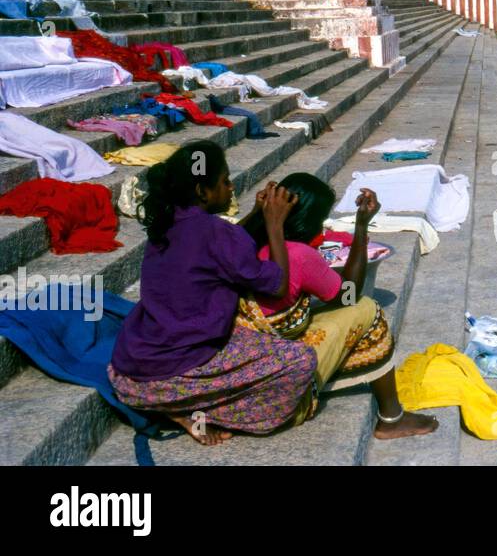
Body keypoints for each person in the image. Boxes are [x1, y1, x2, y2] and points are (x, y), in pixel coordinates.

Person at [108, 141, 317, 446]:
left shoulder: (171, 219)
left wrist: (258, 213)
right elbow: (277, 284)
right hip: (173, 370)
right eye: (224, 181)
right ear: (202, 191)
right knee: (301, 360)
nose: (231, 187)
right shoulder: (216, 232)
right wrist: (275, 225)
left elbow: (226, 249)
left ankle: (170, 404)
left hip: (128, 372)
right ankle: (193, 409)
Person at [241, 172, 437, 441]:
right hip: (277, 383)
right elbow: (349, 294)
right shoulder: (299, 255)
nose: (321, 229)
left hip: (247, 365)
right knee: (367, 309)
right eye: (320, 221)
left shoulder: (248, 239)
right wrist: (361, 226)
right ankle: (392, 418)